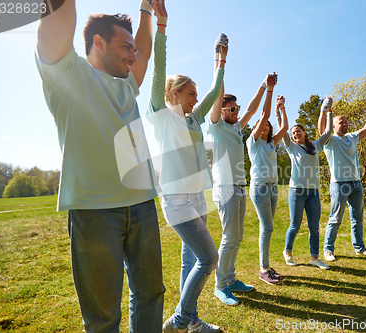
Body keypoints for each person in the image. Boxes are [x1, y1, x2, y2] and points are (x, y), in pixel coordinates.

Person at [35, 1, 165, 331]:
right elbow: (56, 23)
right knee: (103, 318)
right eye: (125, 47)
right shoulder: (67, 73)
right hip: (94, 213)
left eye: (132, 49)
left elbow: (145, 51)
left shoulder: (126, 85)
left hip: (142, 206)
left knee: (151, 295)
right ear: (98, 42)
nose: (133, 57)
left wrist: (147, 11)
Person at [145, 2, 225, 332]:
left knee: (190, 260)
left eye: (194, 95)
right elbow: (158, 72)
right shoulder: (160, 113)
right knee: (209, 259)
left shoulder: (193, 120)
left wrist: (220, 62)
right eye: (189, 94)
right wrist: (161, 29)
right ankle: (179, 320)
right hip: (178, 198)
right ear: (175, 93)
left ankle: (190, 321)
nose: (195, 100)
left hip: (197, 197)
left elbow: (212, 91)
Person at [206, 73, 272, 305]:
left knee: (236, 237)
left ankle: (230, 279)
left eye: (237, 108)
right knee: (229, 237)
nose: (236, 112)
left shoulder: (236, 128)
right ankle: (220, 285)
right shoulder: (215, 126)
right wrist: (221, 64)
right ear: (221, 111)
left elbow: (254, 110)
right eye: (231, 109)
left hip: (239, 187)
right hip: (225, 188)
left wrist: (264, 86)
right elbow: (217, 96)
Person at [320, 97, 366, 262]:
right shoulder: (330, 140)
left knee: (357, 218)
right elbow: (321, 129)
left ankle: (359, 248)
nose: (345, 124)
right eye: (341, 122)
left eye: (346, 122)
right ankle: (328, 250)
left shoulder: (352, 137)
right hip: (339, 185)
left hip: (356, 183)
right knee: (335, 218)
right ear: (333, 126)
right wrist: (325, 109)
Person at [278, 96, 332, 269]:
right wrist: (281, 109)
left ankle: (314, 258)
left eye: (298, 131)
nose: (295, 133)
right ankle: (287, 252)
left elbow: (328, 132)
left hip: (313, 192)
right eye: (293, 132)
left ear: (304, 132)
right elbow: (282, 127)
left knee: (314, 227)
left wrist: (328, 112)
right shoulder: (291, 147)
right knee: (295, 225)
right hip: (297, 192)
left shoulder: (316, 145)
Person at [246, 75, 289, 284]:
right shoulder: (252, 142)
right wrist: (269, 90)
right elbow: (264, 114)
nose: (264, 126)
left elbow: (285, 128)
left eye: (266, 126)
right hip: (260, 187)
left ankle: (265, 265)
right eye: (260, 125)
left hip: (272, 188)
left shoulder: (271, 143)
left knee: (268, 228)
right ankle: (263, 269)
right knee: (268, 227)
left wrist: (282, 108)